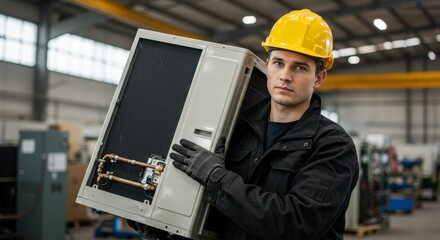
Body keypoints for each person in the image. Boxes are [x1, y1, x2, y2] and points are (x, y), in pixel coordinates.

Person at [129, 9, 359, 240]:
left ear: (319, 78)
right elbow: (222, 215)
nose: (285, 75)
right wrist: (164, 229)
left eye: (300, 67)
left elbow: (297, 224)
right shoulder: (238, 127)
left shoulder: (333, 145)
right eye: (279, 63)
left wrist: (216, 177)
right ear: (268, 66)